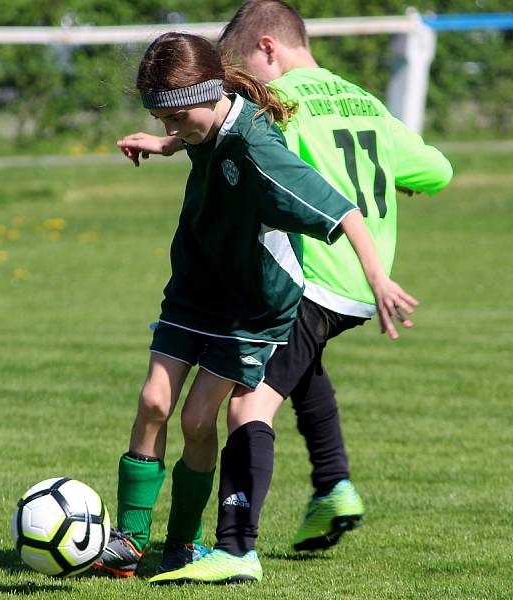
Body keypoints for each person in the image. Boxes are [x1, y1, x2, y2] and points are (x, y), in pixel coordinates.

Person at [140, 2, 452, 585]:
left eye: (243, 68)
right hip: (367, 279)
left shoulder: (283, 103)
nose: (242, 83)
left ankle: (236, 547)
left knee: (249, 403)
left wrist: (171, 146)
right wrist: (396, 178)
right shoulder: (363, 98)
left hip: (316, 274)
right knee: (300, 370)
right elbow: (436, 170)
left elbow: (248, 146)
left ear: (268, 48)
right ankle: (333, 485)